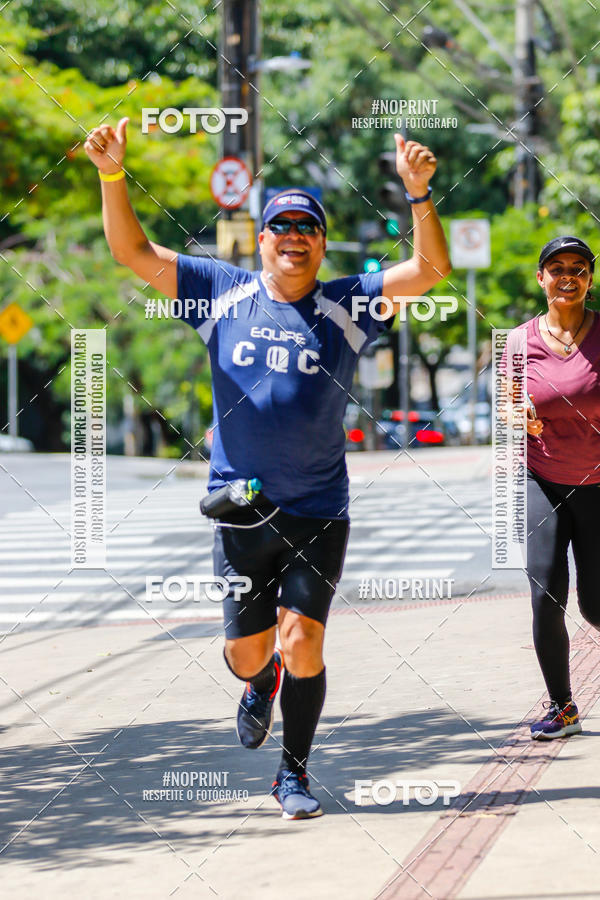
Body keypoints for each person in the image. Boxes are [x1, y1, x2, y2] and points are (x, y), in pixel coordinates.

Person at [84, 118, 451, 816]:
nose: (292, 236)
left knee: (303, 641)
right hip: (241, 510)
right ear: (262, 239)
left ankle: (294, 774)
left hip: (318, 508)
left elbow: (430, 270)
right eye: (280, 225)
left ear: (320, 240)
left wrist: (418, 195)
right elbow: (132, 250)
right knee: (252, 654)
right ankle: (259, 684)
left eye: (305, 228)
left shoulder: (348, 303)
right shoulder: (218, 291)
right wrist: (111, 174)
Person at [517, 236, 600, 740]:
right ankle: (563, 707)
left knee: (595, 605)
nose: (568, 276)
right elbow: (505, 408)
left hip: (598, 483)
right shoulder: (518, 342)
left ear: (590, 278)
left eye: (579, 267)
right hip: (541, 479)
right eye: (557, 267)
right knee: (546, 593)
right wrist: (515, 416)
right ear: (541, 277)